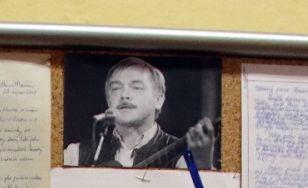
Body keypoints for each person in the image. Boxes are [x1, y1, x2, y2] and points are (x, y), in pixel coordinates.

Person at [63, 57, 217, 169]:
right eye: (116, 88)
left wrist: (201, 163)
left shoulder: (182, 155)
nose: (124, 95)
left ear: (158, 99)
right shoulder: (75, 155)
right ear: (108, 100)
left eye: (136, 87)